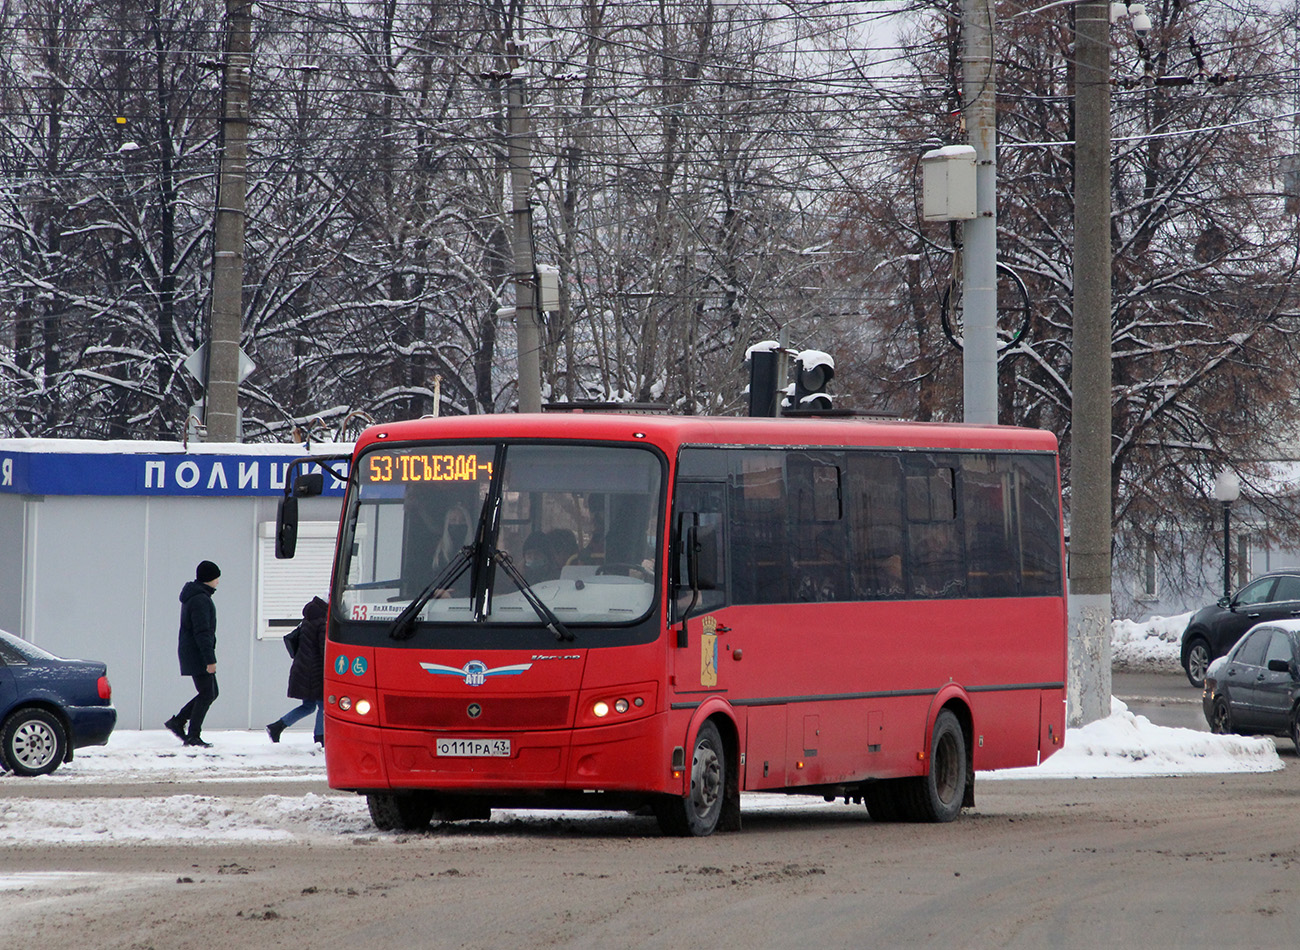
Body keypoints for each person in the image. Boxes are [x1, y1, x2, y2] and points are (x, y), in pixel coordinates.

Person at [164, 560, 221, 748]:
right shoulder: (200, 599)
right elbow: (202, 632)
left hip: (194, 652)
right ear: (208, 578)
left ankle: (179, 721)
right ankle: (193, 735)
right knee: (207, 693)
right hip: (197, 653)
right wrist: (209, 659)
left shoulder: (198, 596)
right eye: (216, 577)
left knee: (211, 692)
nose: (218, 581)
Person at [266, 596, 328, 745]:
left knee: (308, 706)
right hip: (315, 671)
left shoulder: (308, 618)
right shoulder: (322, 622)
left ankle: (277, 727)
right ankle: (320, 739)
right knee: (323, 706)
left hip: (302, 669)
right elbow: (324, 650)